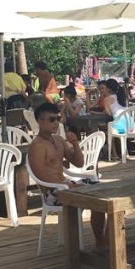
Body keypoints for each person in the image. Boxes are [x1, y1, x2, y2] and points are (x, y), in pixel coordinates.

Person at [28, 101, 107, 248]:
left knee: (103, 194)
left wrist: (75, 145)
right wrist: (66, 185)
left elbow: (79, 163)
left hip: (66, 185)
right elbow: (41, 176)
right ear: (40, 122)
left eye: (58, 119)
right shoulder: (37, 146)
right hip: (52, 193)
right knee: (96, 198)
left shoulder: (58, 140)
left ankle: (104, 241)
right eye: (52, 119)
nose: (56, 123)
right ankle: (99, 244)